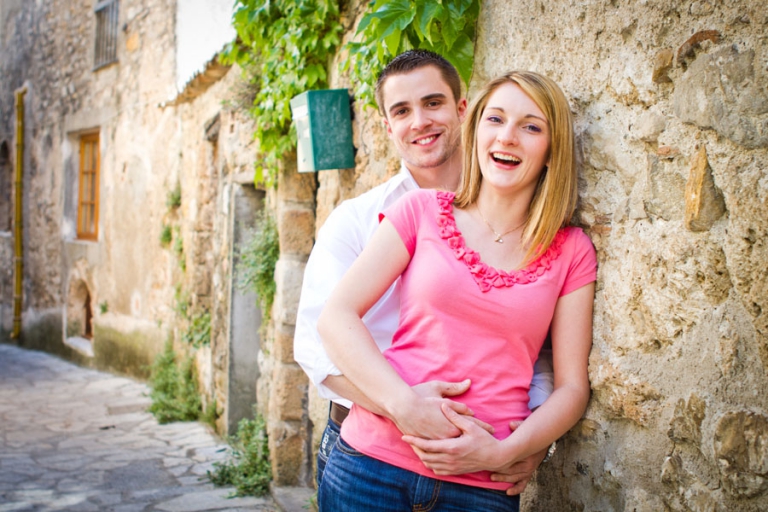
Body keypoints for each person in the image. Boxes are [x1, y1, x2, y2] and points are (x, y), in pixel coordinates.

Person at [316, 70, 597, 511]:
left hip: (481, 489)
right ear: (476, 128)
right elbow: (336, 317)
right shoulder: (420, 211)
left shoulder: (572, 251)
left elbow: (571, 388)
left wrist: (508, 451)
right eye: (495, 119)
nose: (508, 137)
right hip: (370, 467)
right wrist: (403, 405)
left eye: (531, 126)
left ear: (550, 150)